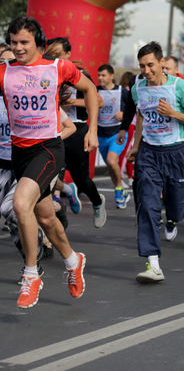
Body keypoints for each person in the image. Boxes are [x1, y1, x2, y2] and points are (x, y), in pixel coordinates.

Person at [2, 16, 98, 308]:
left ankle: (31, 274)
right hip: (21, 153)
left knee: (20, 204)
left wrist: (92, 130)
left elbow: (91, 90)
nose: (18, 48)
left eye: (24, 42)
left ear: (38, 43)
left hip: (49, 149)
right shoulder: (4, 73)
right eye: (14, 42)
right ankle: (73, 260)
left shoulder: (57, 67)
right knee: (45, 216)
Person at [126, 41, 184, 283]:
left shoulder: (179, 86)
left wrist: (173, 113)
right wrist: (136, 146)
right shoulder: (137, 87)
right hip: (149, 153)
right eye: (142, 66)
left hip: (175, 152)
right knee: (147, 204)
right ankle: (153, 264)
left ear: (162, 62)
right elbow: (140, 117)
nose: (146, 71)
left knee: (175, 209)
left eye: (150, 65)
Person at [46, 39, 108, 227]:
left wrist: (70, 103)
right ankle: (61, 197)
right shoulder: (46, 73)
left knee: (82, 179)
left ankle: (97, 202)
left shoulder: (79, 75)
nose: (54, 58)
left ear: (68, 54)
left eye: (58, 54)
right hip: (54, 129)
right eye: (51, 55)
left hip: (77, 128)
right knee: (47, 173)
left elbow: (99, 102)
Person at [96, 64, 130, 208]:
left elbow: (133, 109)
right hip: (101, 134)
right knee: (111, 167)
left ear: (111, 76)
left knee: (111, 161)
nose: (100, 78)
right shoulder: (95, 91)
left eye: (103, 75)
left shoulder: (121, 91)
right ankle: (122, 190)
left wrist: (124, 115)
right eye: (99, 75)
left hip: (117, 133)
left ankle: (118, 189)